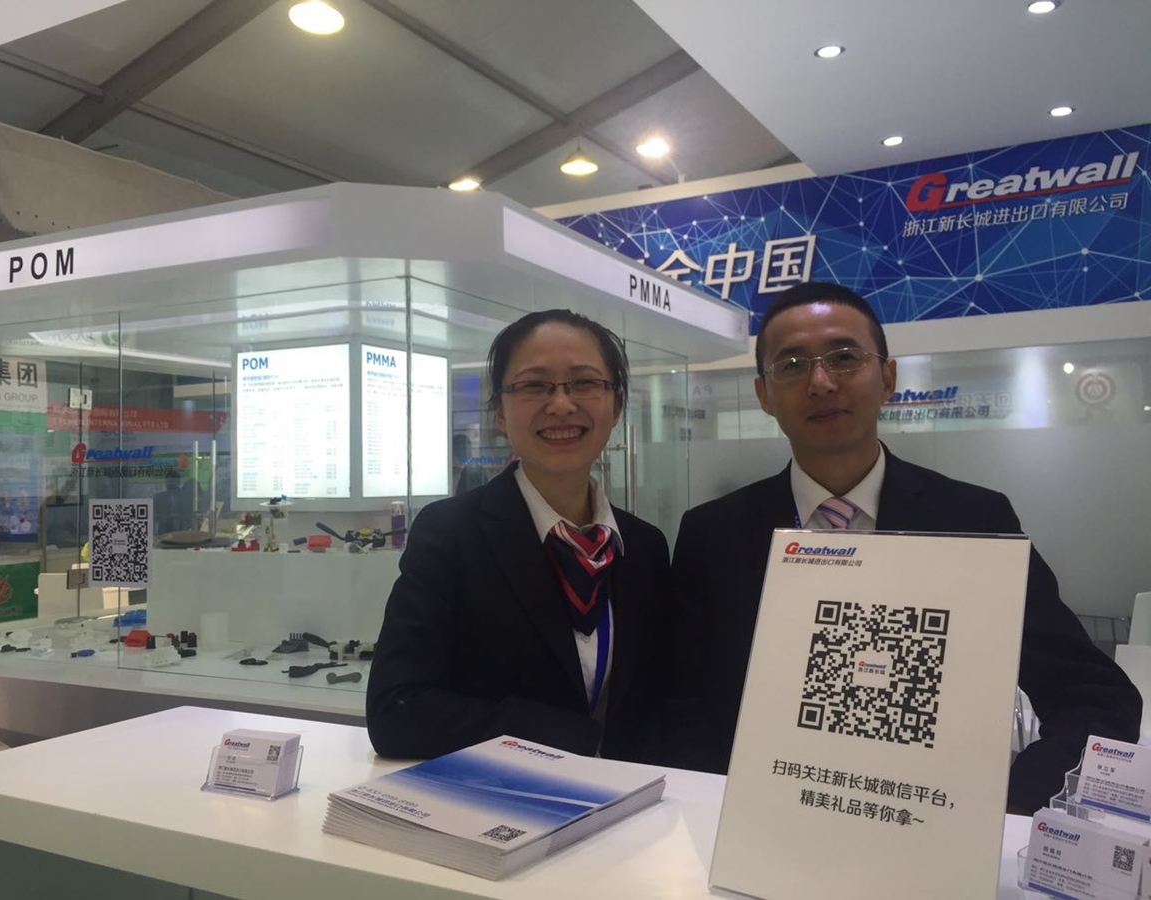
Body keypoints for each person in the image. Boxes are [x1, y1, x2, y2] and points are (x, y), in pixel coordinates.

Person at [667, 281, 1141, 813]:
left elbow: (1095, 696)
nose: (820, 382)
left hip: (926, 822)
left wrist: (1002, 808)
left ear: (888, 378)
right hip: (762, 821)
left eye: (844, 357)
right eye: (792, 364)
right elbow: (683, 706)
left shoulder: (974, 521)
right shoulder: (713, 534)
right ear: (764, 395)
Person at [367, 309, 670, 763]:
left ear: (616, 405)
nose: (561, 404)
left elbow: (661, 699)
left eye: (585, 383)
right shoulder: (451, 534)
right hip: (499, 798)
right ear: (500, 414)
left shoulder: (644, 547)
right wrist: (572, 739)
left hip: (632, 800)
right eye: (534, 385)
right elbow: (395, 712)